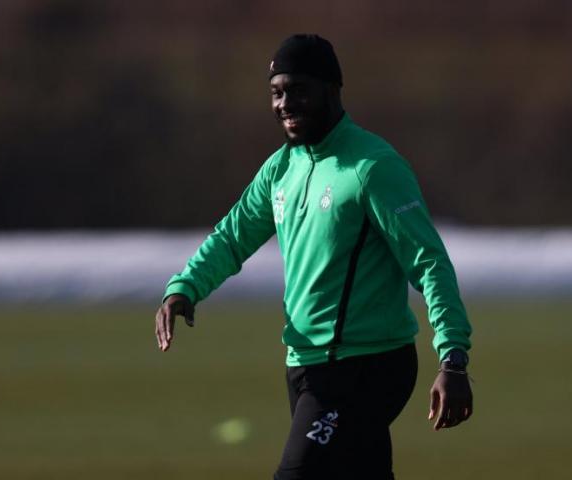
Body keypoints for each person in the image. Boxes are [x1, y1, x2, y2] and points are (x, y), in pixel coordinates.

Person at [155, 34, 473, 480]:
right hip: (306, 366)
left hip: (367, 367)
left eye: (298, 90)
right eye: (276, 92)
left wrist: (452, 358)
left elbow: (428, 261)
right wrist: (186, 287)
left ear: (332, 89)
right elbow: (232, 237)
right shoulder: (281, 168)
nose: (285, 104)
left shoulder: (372, 167)